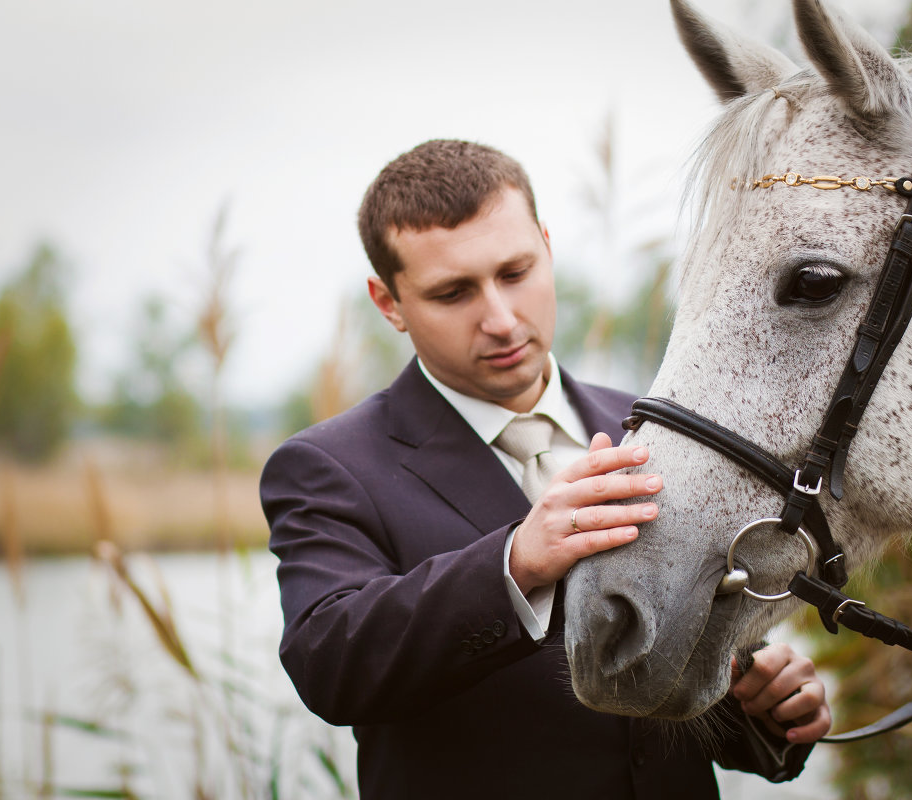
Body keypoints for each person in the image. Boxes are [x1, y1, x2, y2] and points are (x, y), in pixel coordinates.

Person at [260, 139, 831, 799]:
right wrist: (516, 563)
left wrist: (760, 713)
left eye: (515, 272)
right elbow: (333, 663)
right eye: (452, 293)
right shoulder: (327, 466)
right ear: (388, 303)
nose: (501, 321)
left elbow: (668, 677)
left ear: (549, 248)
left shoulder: (658, 432)